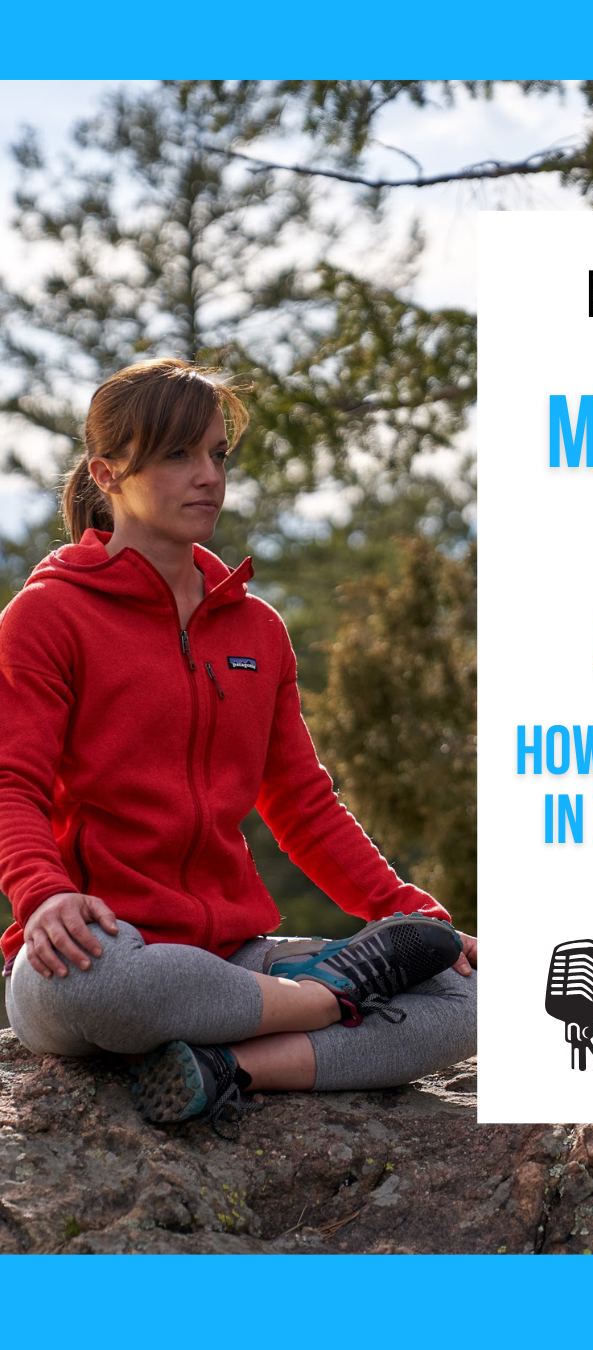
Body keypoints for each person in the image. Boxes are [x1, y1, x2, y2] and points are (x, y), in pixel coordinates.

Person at [0, 358, 477, 1131]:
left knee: (460, 996)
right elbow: (10, 783)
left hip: (232, 956)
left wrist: (413, 918)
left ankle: (229, 1066)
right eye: (178, 455)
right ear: (107, 472)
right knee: (99, 988)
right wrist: (45, 895)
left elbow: (302, 803)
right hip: (102, 953)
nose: (208, 476)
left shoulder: (255, 629)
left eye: (217, 455)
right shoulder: (49, 616)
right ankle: (331, 996)